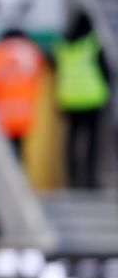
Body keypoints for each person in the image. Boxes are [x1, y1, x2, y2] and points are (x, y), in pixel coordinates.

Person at [55, 11, 110, 188]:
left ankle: (72, 179)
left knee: (71, 142)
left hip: (70, 101)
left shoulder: (63, 46)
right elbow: (105, 72)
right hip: (92, 100)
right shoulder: (92, 44)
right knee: (92, 143)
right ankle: (90, 180)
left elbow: (57, 72)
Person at [0, 29, 46, 157]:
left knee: (4, 153)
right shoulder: (32, 52)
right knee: (19, 148)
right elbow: (38, 77)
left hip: (2, 113)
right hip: (24, 112)